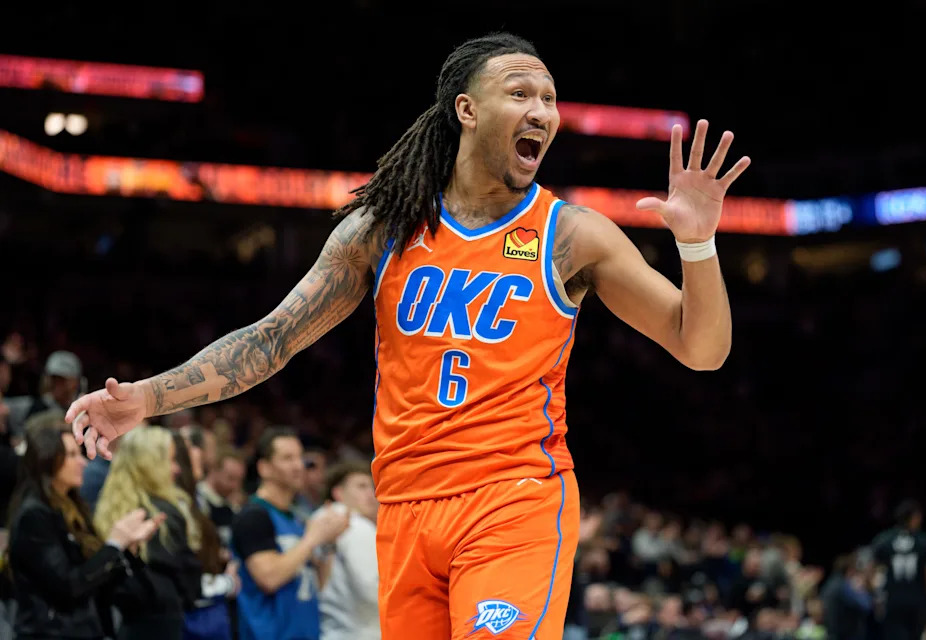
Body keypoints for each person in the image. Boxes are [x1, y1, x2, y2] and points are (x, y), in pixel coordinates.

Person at [66, 32, 749, 639]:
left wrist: (698, 245)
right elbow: (272, 339)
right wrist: (147, 399)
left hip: (514, 498)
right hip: (403, 509)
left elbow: (702, 347)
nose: (543, 110)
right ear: (466, 109)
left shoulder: (572, 235)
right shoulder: (383, 231)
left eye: (550, 97)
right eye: (520, 92)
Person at [6, 418, 162, 639]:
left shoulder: (74, 509)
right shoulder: (34, 516)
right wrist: (114, 543)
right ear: (47, 459)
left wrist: (127, 548)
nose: (83, 462)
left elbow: (97, 581)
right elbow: (68, 587)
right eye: (71, 455)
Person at [230, 428, 349, 640]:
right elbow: (269, 578)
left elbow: (315, 585)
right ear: (264, 468)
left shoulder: (297, 518)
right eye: (287, 458)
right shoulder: (253, 516)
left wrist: (328, 541)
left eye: (299, 458)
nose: (298, 466)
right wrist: (312, 539)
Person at [94, 426, 204, 640]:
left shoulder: (107, 510)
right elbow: (188, 580)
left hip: (124, 627)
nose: (177, 469)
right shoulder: (165, 514)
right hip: (162, 625)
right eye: (171, 460)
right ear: (150, 464)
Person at [172, 433, 240, 640]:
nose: (197, 452)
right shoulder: (175, 509)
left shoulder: (194, 505)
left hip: (209, 614)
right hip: (191, 618)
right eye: (185, 449)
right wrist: (227, 583)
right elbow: (183, 581)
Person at [318, 460, 380, 640]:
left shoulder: (320, 518)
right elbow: (371, 589)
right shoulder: (355, 524)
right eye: (361, 486)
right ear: (338, 493)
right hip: (360, 633)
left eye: (372, 487)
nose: (371, 494)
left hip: (333, 629)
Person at [872, 499, 926, 640]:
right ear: (915, 517)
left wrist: (876, 598)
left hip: (892, 601)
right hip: (918, 602)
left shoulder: (883, 540)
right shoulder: (925, 542)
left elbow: (873, 572)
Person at [197, 446, 247, 548]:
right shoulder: (197, 499)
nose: (235, 486)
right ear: (214, 470)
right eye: (230, 478)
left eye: (239, 480)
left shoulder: (235, 505)